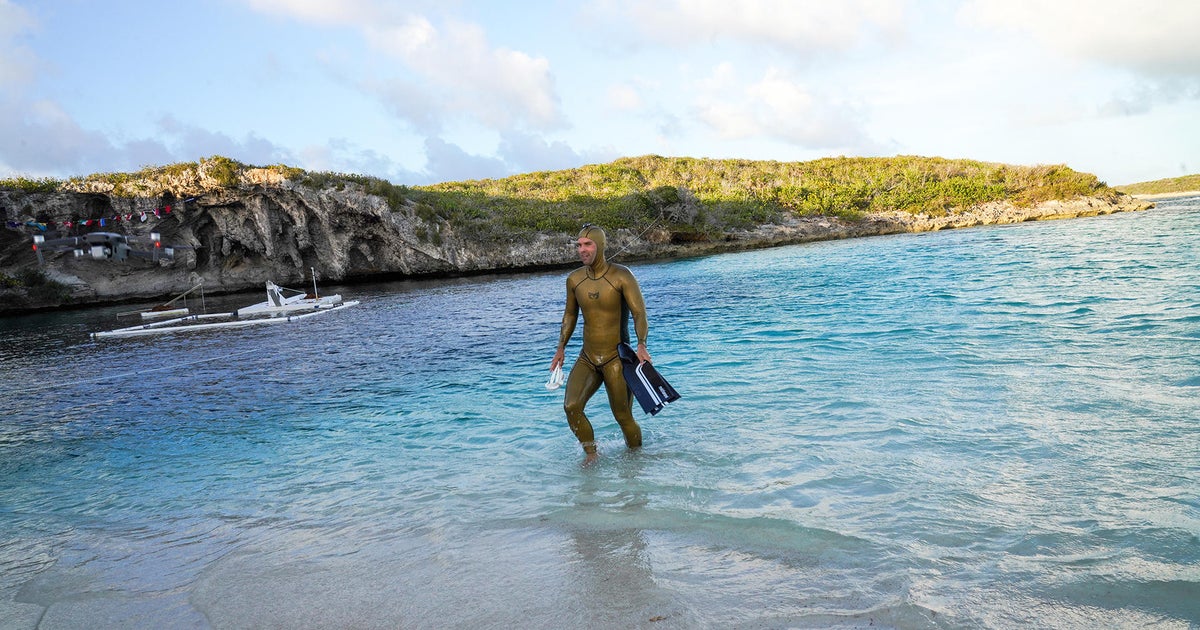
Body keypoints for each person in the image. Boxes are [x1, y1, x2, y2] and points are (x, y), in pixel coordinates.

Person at [550, 224, 652, 466]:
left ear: (601, 246)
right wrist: (561, 347)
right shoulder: (574, 279)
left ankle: (636, 460)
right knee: (571, 406)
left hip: (616, 358)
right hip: (588, 356)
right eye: (579, 245)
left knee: (623, 416)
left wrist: (641, 345)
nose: (582, 250)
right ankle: (591, 454)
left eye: (588, 244)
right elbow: (570, 316)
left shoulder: (621, 275)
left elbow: (639, 313)